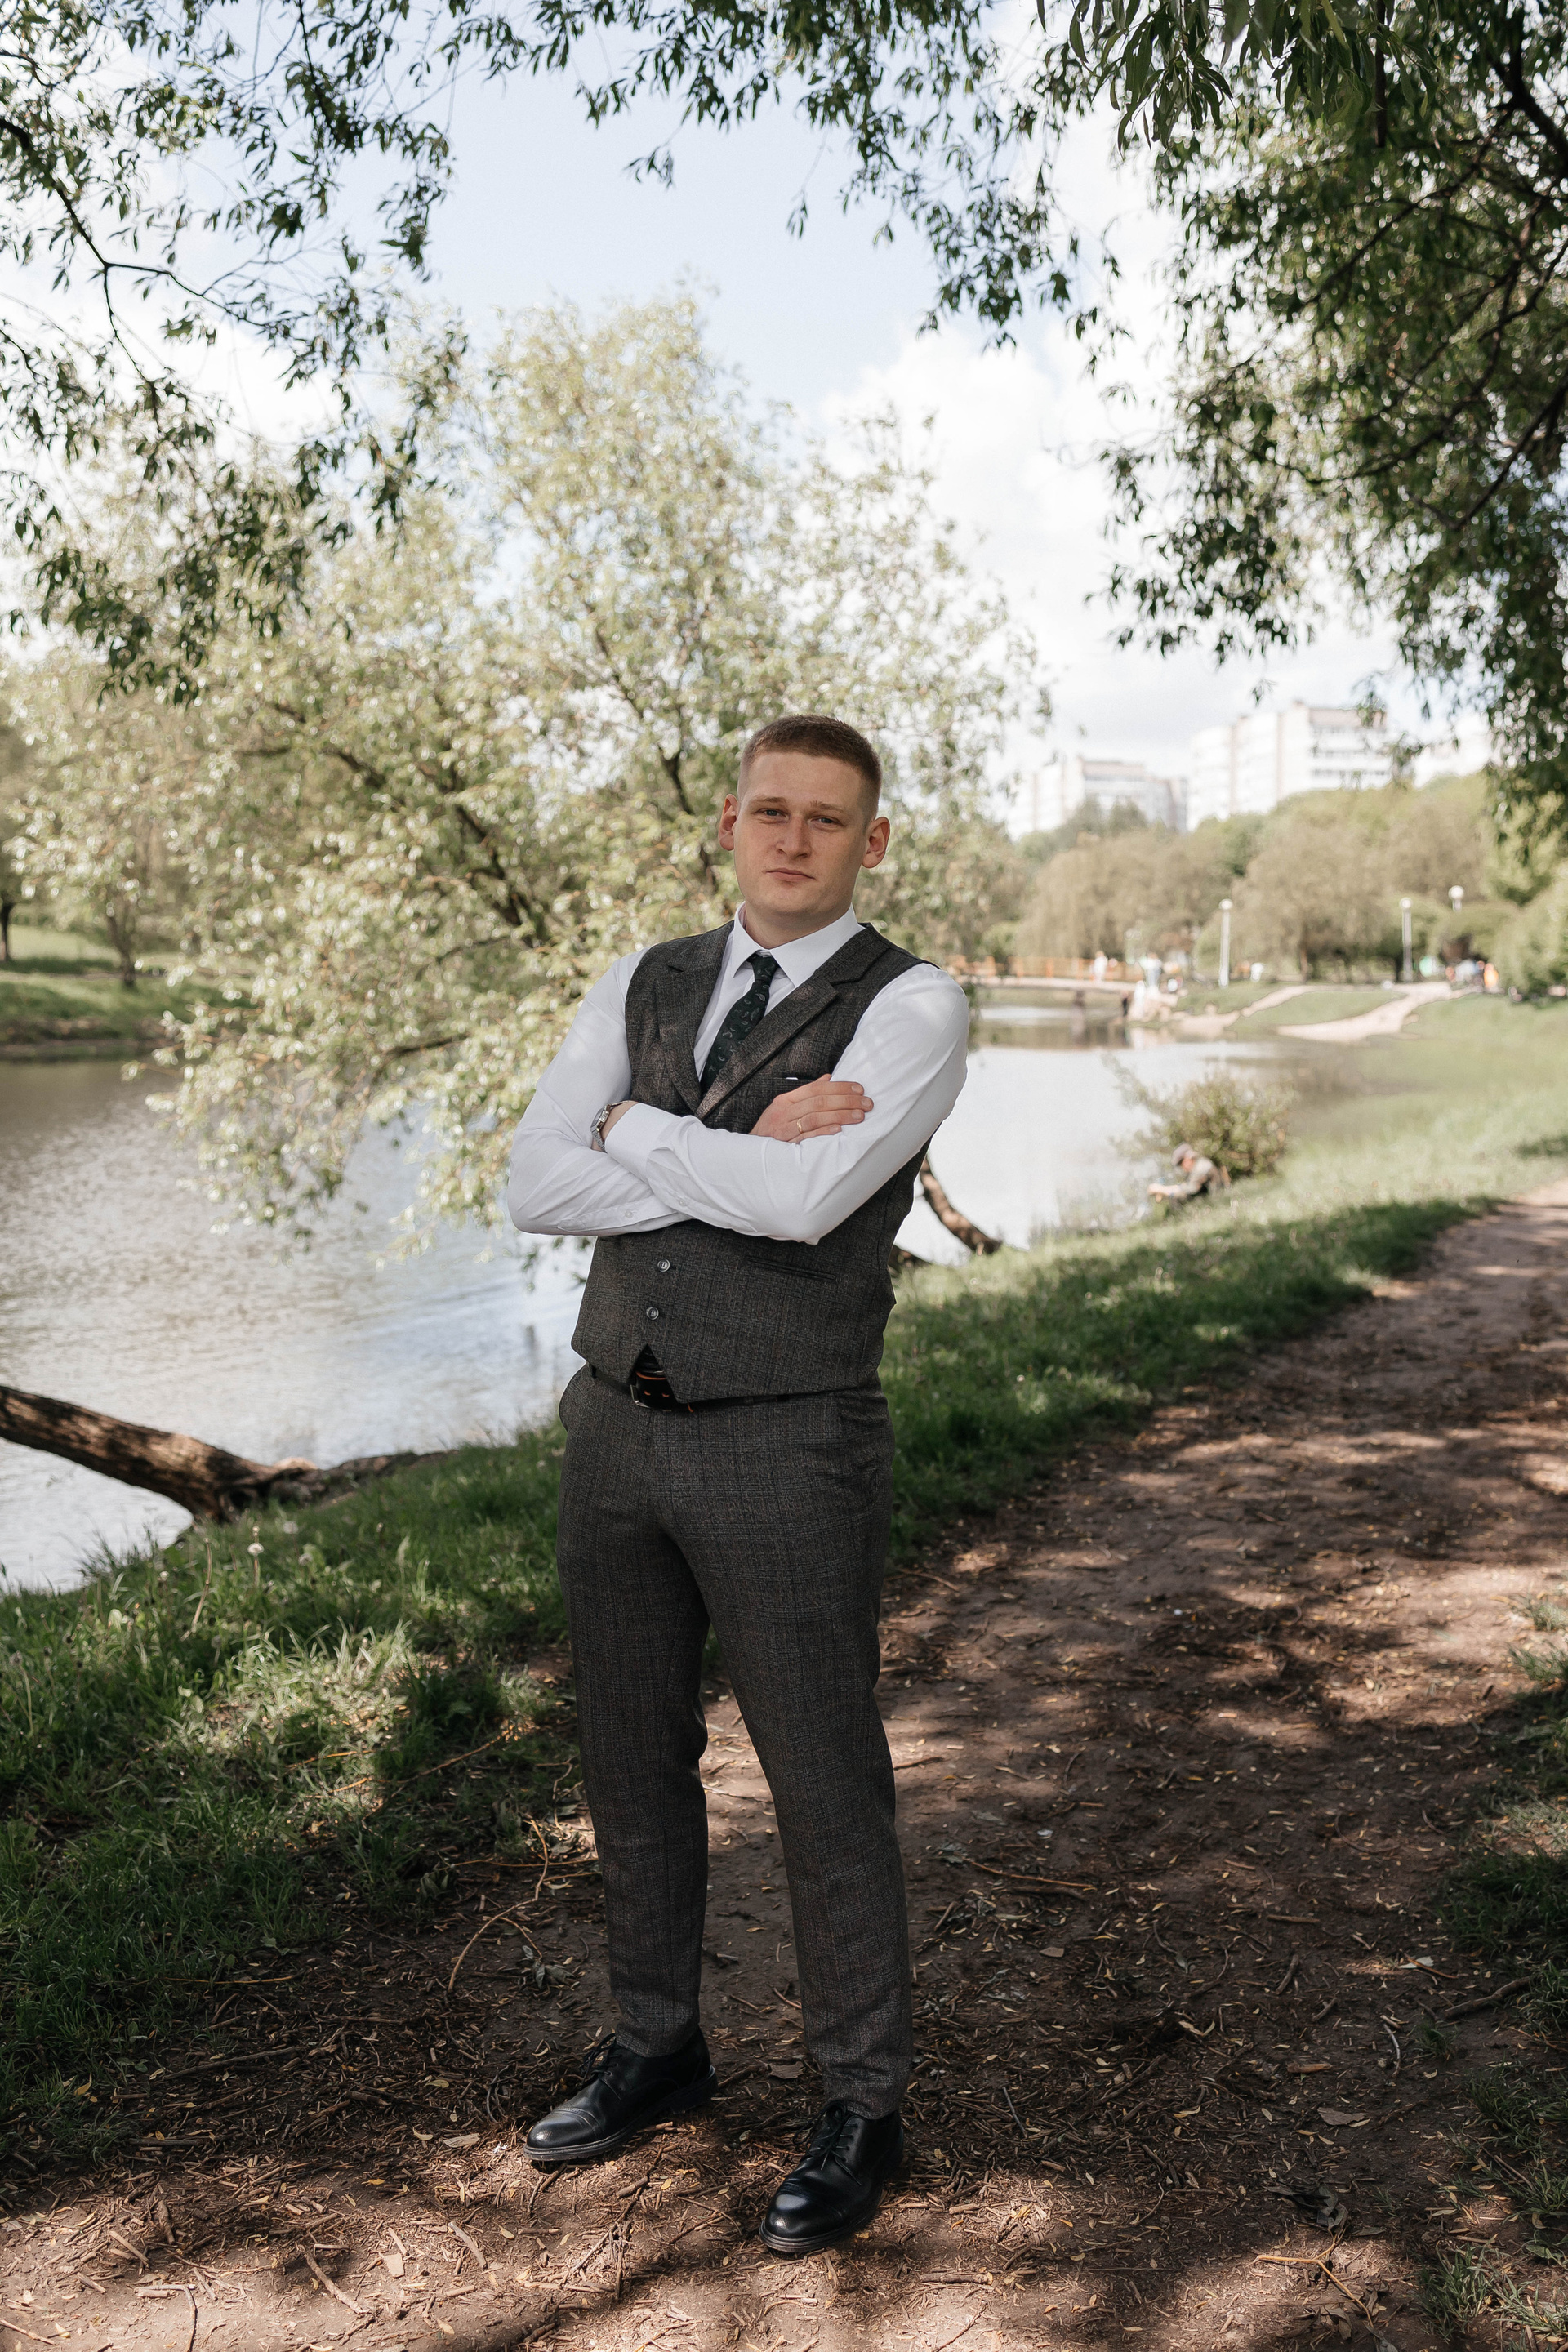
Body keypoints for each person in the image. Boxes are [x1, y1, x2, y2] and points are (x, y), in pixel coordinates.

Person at [506, 713, 970, 2256]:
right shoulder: (645, 980)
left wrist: (636, 1131)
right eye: (771, 811)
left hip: (789, 1438)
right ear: (729, 820)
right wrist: (725, 1141)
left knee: (821, 1778)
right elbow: (532, 1181)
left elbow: (805, 1202)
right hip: (612, 1425)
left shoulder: (913, 1004)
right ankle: (657, 2047)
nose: (794, 840)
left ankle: (862, 2103)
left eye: (828, 820)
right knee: (628, 1756)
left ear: (871, 842)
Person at [1148, 1142, 1223, 1203]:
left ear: (1189, 1157)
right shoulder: (1198, 1167)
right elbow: (1184, 1186)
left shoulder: (1201, 1168)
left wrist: (1162, 1189)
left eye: (1182, 1162)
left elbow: (1188, 1190)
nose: (1182, 1167)